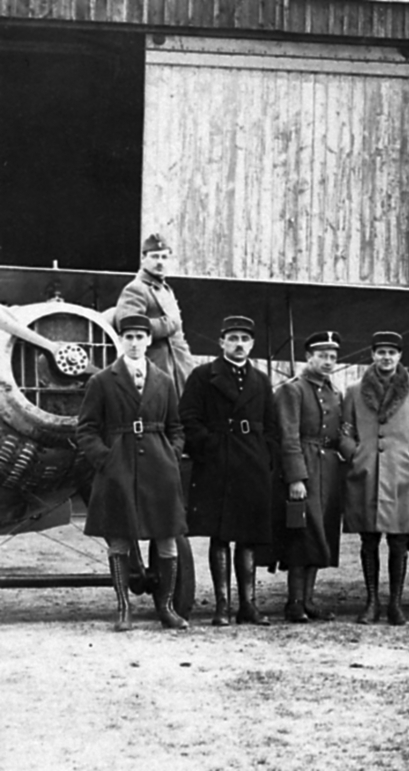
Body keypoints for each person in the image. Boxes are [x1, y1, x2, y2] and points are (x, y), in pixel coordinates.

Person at [75, 313, 189, 631]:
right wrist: (105, 460)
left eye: (141, 337)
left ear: (150, 340)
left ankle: (166, 608)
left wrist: (171, 455)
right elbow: (86, 429)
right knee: (119, 541)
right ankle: (123, 608)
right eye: (129, 337)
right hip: (118, 466)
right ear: (121, 340)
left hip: (159, 466)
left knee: (167, 538)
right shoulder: (102, 381)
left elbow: (176, 427)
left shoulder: (164, 381)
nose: (135, 343)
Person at [340, 330, 409, 627]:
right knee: (369, 539)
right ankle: (371, 601)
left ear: (400, 356)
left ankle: (395, 605)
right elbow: (345, 431)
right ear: (372, 355)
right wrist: (355, 453)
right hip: (367, 473)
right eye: (380, 352)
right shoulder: (354, 390)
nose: (386, 357)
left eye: (392, 352)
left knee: (398, 541)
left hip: (402, 474)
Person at [180, 315, 279, 626]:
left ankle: (248, 604)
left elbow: (273, 425)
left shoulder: (261, 380)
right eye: (233, 338)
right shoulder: (202, 375)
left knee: (248, 535)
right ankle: (222, 606)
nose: (239, 344)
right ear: (221, 342)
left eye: (245, 339)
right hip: (217, 463)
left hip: (252, 463)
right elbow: (189, 419)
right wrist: (209, 447)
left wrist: (266, 456)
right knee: (220, 536)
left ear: (252, 344)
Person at [271, 330, 347, 623]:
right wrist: (296, 478)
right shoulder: (293, 390)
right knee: (301, 534)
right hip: (304, 466)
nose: (327, 362)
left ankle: (310, 600)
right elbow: (288, 436)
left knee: (322, 533)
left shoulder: (334, 392)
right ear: (308, 358)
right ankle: (294, 602)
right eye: (322, 356)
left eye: (332, 357)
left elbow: (338, 433)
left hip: (328, 468)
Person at [113, 233, 195, 394]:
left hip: (178, 366)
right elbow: (127, 324)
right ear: (143, 259)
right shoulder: (136, 288)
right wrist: (169, 324)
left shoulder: (165, 289)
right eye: (154, 257)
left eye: (164, 257)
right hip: (155, 367)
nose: (160, 262)